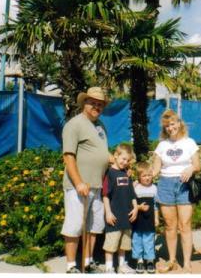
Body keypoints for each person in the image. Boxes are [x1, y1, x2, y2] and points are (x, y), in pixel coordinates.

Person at [61, 87, 111, 274]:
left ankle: (88, 262)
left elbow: (103, 153)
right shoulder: (74, 124)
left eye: (100, 104)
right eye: (93, 102)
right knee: (74, 226)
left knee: (94, 226)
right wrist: (79, 182)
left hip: (97, 186)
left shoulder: (100, 126)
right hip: (78, 187)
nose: (96, 106)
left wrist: (122, 162)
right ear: (84, 103)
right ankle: (71, 266)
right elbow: (68, 156)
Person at [152, 109, 201, 274]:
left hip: (184, 185)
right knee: (170, 225)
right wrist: (142, 175)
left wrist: (191, 169)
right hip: (165, 185)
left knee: (185, 225)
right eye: (167, 126)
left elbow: (197, 165)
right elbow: (156, 169)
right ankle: (172, 260)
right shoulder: (162, 145)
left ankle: (187, 262)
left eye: (172, 124)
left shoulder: (190, 142)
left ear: (179, 124)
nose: (170, 128)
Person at [102, 144, 138, 274]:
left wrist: (135, 208)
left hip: (127, 217)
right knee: (111, 245)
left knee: (124, 244)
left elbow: (132, 193)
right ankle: (109, 268)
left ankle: (122, 266)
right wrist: (108, 212)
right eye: (123, 159)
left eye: (128, 160)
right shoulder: (109, 173)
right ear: (116, 156)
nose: (125, 162)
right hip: (114, 217)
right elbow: (105, 195)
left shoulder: (126, 173)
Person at [131, 162, 159, 274]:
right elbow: (130, 202)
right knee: (137, 240)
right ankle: (139, 260)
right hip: (138, 220)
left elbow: (156, 206)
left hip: (149, 220)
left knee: (149, 240)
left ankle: (150, 260)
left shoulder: (154, 188)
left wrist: (156, 218)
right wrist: (139, 207)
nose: (147, 178)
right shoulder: (136, 188)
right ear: (138, 177)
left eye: (149, 175)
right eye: (144, 176)